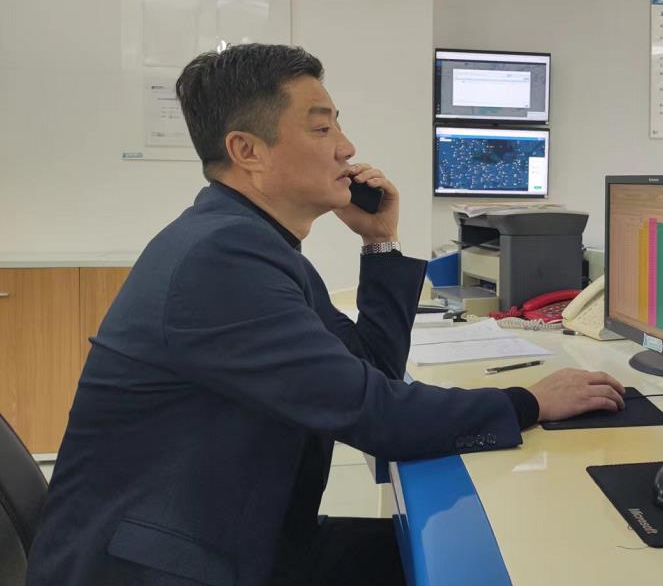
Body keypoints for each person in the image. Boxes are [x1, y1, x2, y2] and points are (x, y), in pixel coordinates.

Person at [26, 44, 625, 586]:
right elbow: (375, 414)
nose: (346, 146)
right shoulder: (222, 258)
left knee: (463, 553)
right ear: (247, 151)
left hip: (236, 538)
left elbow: (370, 372)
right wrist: (530, 402)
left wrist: (380, 242)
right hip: (164, 567)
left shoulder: (253, 243)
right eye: (320, 127)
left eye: (337, 123)